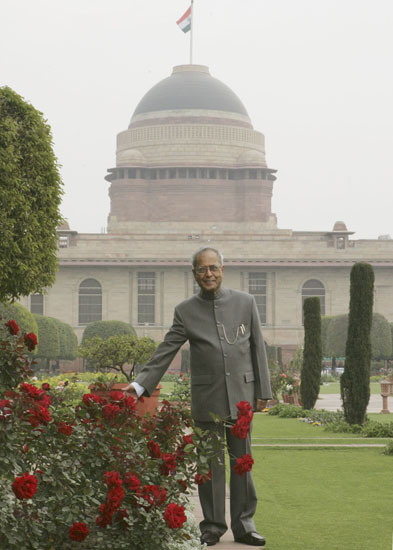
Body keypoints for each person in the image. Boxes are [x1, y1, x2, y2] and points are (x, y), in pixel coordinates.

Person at [124, 247, 272, 547]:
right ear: (194, 274)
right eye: (202, 269)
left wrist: (263, 392)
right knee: (210, 466)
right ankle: (214, 526)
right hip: (208, 399)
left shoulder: (245, 302)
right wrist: (140, 384)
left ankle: (244, 525)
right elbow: (167, 349)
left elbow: (258, 347)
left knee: (242, 462)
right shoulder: (186, 311)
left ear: (222, 269)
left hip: (242, 397)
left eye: (213, 268)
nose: (209, 274)